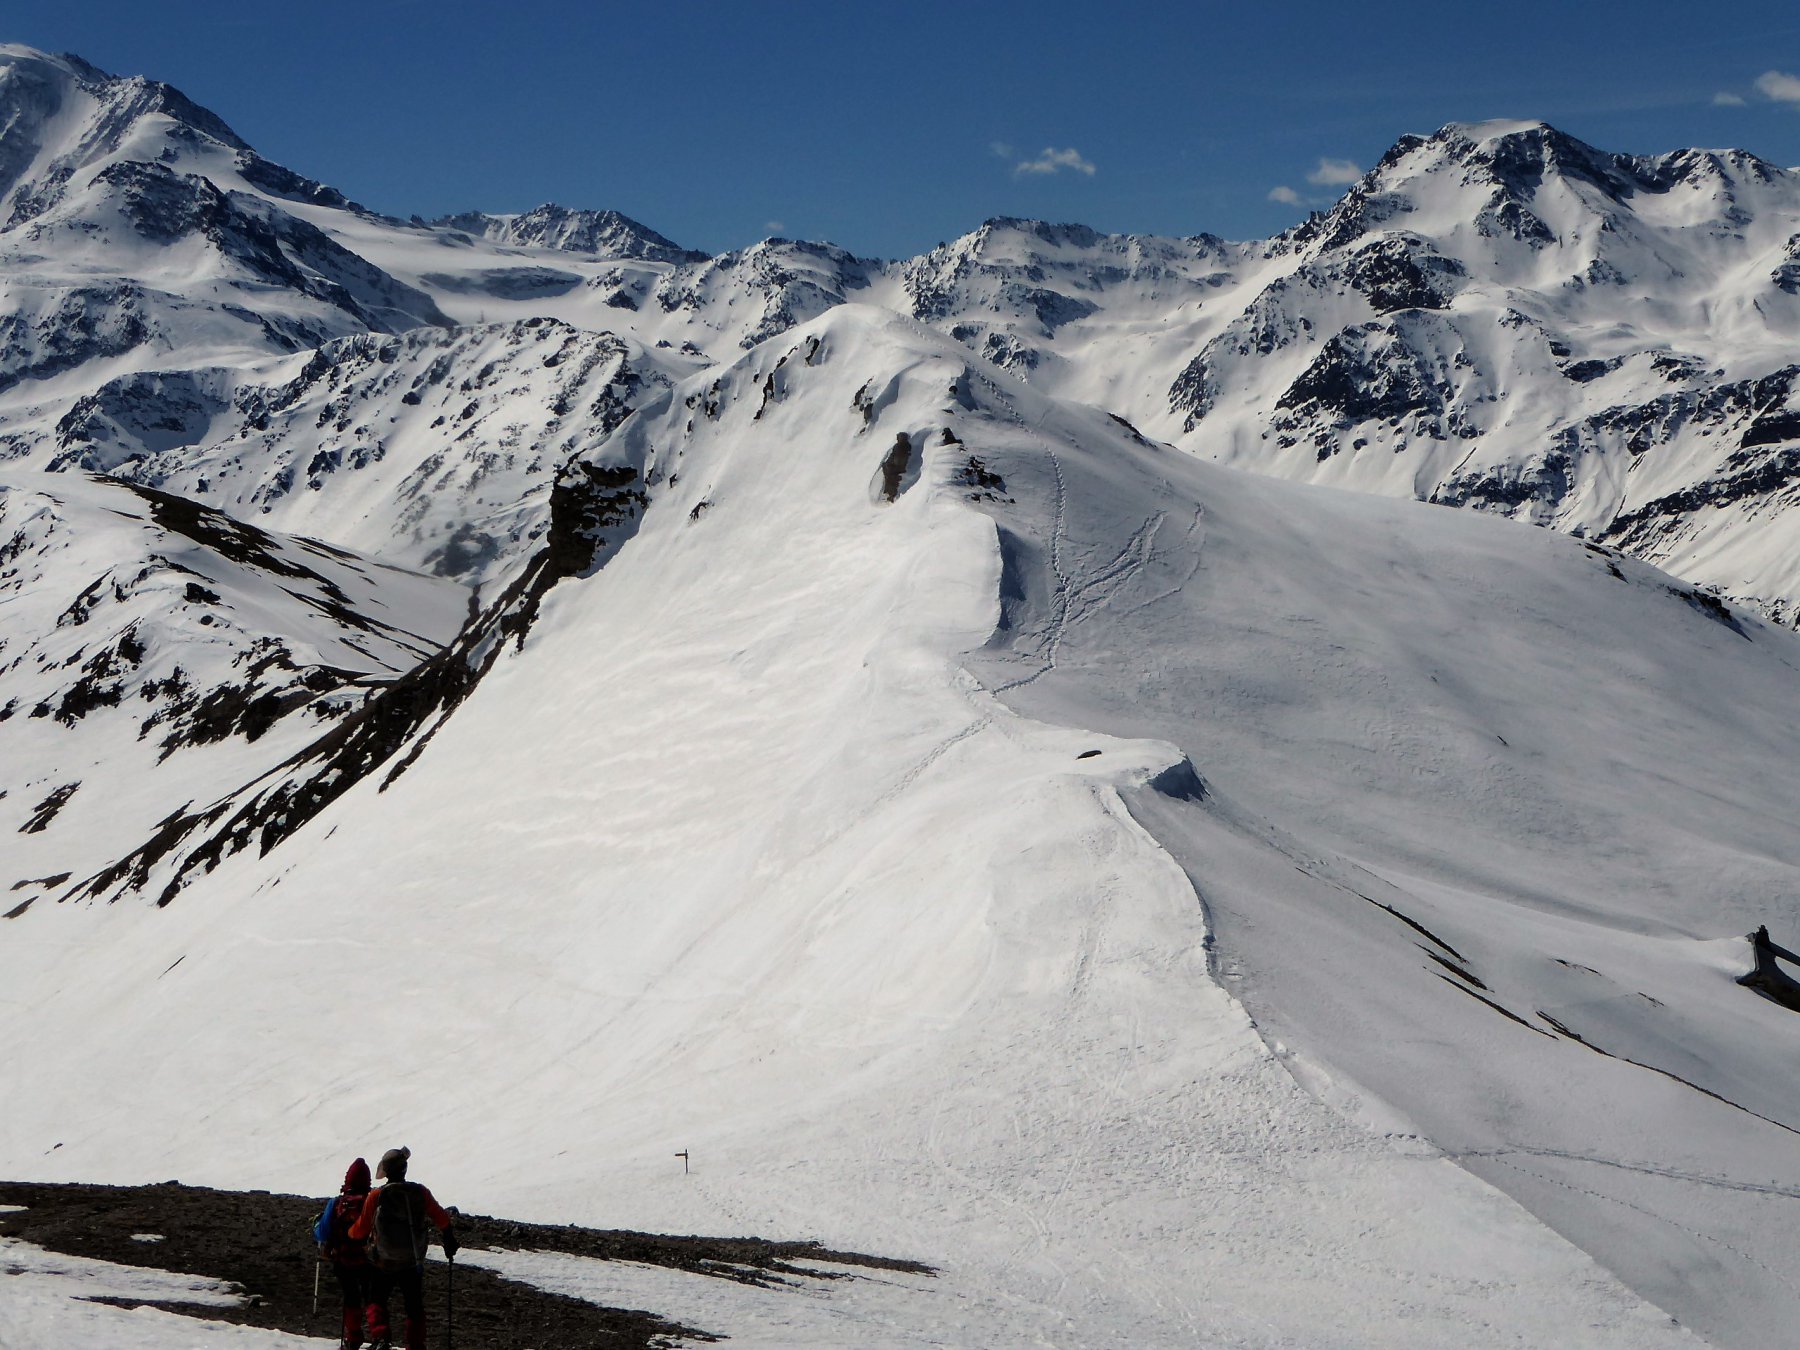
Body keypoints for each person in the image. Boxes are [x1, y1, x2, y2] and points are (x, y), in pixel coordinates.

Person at [348, 1146, 458, 1350]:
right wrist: (449, 1238)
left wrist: (349, 1234)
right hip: (412, 1259)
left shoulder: (376, 1195)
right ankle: (415, 1344)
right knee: (413, 1304)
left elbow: (361, 1229)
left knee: (376, 1298)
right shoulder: (420, 1192)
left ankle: (381, 1338)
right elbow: (442, 1218)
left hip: (383, 1260)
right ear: (404, 1169)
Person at [313, 1157, 373, 1350]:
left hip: (343, 1260)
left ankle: (353, 1337)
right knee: (372, 1298)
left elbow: (322, 1233)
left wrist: (316, 1224)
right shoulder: (372, 1202)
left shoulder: (337, 1203)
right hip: (369, 1260)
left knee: (351, 1297)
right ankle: (379, 1336)